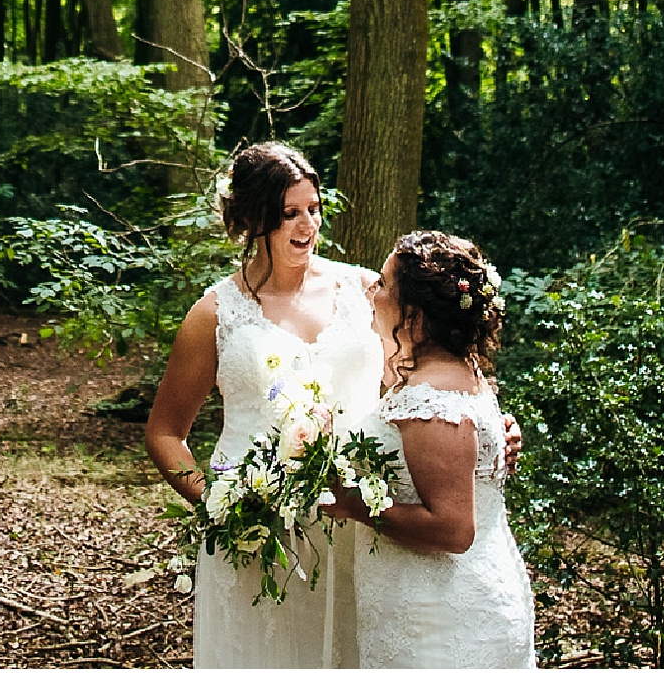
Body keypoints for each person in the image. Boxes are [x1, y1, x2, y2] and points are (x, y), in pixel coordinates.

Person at [144, 143, 383, 668]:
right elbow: (164, 432)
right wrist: (219, 504)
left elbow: (426, 373)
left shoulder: (366, 289)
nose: (307, 225)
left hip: (359, 522)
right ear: (253, 219)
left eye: (313, 209)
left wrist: (485, 421)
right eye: (288, 214)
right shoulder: (214, 314)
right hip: (256, 538)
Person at [328, 229, 538, 668]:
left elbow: (453, 530)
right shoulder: (457, 369)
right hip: (458, 594)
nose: (371, 289)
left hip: (437, 613)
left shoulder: (430, 403)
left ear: (417, 318)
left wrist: (355, 506)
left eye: (383, 284)